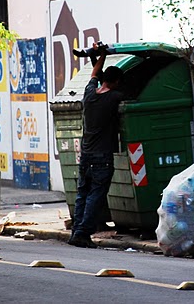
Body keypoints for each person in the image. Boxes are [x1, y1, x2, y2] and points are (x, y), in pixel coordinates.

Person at [68, 43, 124, 248]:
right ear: (117, 82)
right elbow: (101, 77)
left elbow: (94, 75)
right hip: (102, 157)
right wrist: (100, 56)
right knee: (95, 195)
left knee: (83, 193)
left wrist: (99, 56)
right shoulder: (115, 97)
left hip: (86, 155)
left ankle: (76, 231)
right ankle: (83, 233)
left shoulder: (89, 93)